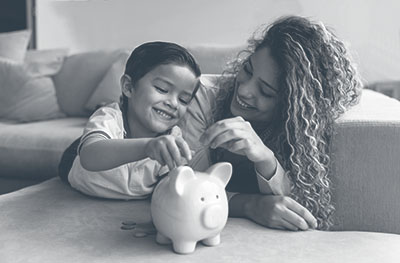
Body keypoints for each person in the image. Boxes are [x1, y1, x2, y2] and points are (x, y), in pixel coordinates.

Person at [181, 16, 362, 231]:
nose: (245, 90)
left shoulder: (303, 133)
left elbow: (300, 208)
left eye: (265, 91)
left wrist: (266, 158)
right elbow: (183, 187)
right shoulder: (200, 98)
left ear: (290, 107)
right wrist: (250, 205)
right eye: (248, 70)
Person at [59, 41, 201, 200]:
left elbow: (172, 186)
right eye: (162, 89)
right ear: (128, 87)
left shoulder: (173, 140)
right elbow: (89, 157)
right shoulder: (110, 117)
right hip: (80, 161)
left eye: (183, 100)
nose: (173, 103)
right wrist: (147, 147)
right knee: (83, 148)